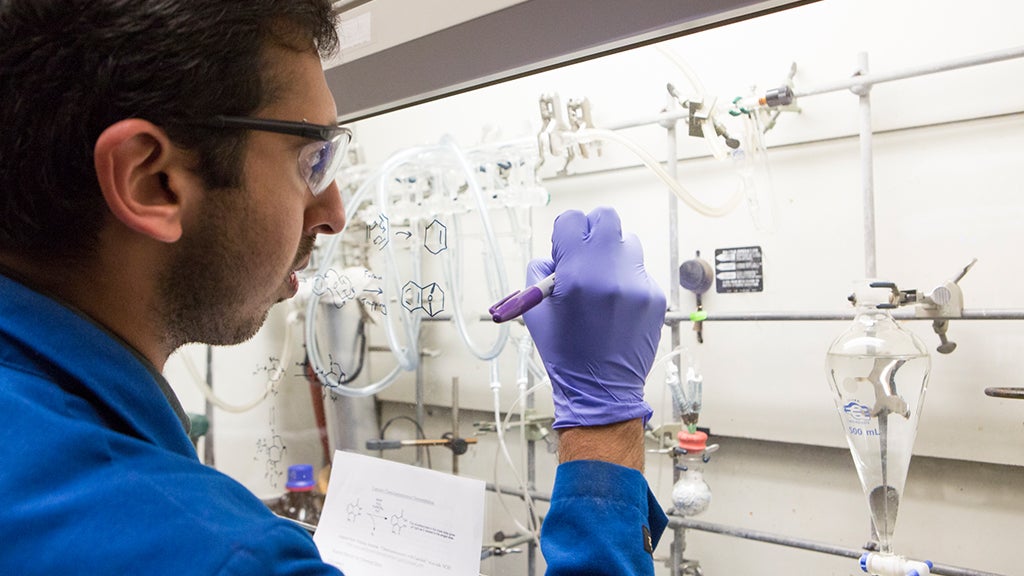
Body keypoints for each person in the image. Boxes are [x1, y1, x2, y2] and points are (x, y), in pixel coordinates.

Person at [0, 2, 666, 575]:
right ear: (151, 181)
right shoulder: (206, 552)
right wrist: (603, 427)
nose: (333, 210)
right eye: (310, 159)